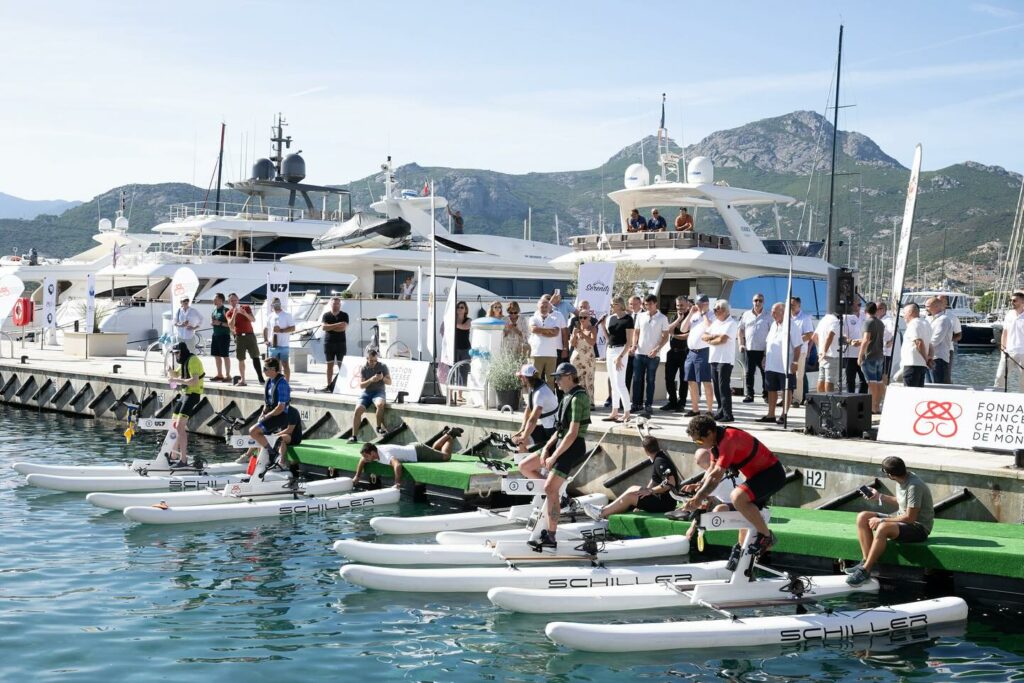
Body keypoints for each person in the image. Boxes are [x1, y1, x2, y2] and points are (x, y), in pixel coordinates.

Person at [683, 415, 786, 552]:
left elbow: (717, 476)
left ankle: (767, 537)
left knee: (737, 497)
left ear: (709, 433)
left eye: (700, 442)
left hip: (772, 474)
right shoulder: (716, 444)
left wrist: (699, 497)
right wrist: (699, 487)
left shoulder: (728, 440)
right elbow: (711, 472)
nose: (699, 444)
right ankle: (744, 552)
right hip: (758, 477)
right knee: (743, 521)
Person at [521, 363, 591, 551]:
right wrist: (546, 449)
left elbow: (572, 434)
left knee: (549, 488)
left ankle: (551, 536)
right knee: (525, 466)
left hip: (572, 447)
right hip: (560, 443)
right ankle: (558, 495)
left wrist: (553, 457)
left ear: (569, 376)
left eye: (559, 377)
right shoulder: (566, 396)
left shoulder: (578, 398)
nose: (556, 381)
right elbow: (560, 431)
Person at [846, 456, 934, 586]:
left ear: (890, 475)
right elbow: (902, 501)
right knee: (862, 517)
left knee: (883, 527)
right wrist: (879, 496)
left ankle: (866, 570)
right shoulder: (903, 478)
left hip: (918, 528)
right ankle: (865, 561)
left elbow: (910, 518)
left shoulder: (914, 486)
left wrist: (882, 521)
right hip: (903, 521)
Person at [584, 436, 680, 519]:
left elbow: (671, 483)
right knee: (633, 488)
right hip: (662, 498)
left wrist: (650, 491)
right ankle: (605, 509)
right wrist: (643, 497)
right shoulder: (659, 457)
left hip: (666, 504)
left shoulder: (660, 462)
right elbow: (654, 480)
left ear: (645, 450)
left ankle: (601, 514)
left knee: (629, 497)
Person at [355, 430, 460, 485]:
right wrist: (357, 476)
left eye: (366, 456)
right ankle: (446, 435)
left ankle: (450, 435)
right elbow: (362, 460)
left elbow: (398, 466)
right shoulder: (373, 453)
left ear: (373, 453)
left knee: (446, 457)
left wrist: (397, 484)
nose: (365, 458)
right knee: (435, 451)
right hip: (415, 449)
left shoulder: (385, 455)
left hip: (419, 452)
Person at [758, 303, 802, 424]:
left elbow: (798, 346)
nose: (772, 314)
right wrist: (765, 357)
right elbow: (769, 343)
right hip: (771, 364)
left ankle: (784, 414)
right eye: (772, 311)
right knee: (771, 389)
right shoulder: (773, 324)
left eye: (774, 312)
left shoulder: (791, 326)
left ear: (783, 312)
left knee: (786, 390)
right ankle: (770, 414)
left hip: (785, 365)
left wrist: (795, 362)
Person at [630, 294, 670, 418]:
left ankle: (648, 405)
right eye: (646, 304)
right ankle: (636, 404)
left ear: (655, 303)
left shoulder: (662, 318)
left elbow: (665, 336)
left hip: (654, 355)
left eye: (650, 304)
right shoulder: (641, 316)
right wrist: (634, 345)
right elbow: (636, 332)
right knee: (637, 380)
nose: (648, 306)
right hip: (639, 353)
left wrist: (657, 349)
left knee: (650, 380)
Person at [167, 341, 205, 467]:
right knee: (173, 424)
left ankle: (183, 460)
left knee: (179, 426)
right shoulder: (184, 361)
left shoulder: (193, 360)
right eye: (174, 354)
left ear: (182, 351)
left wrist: (175, 380)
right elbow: (177, 374)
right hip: (185, 394)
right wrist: (170, 372)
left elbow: (194, 381)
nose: (176, 356)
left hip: (193, 394)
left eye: (177, 353)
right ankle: (173, 455)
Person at [250, 356, 292, 466]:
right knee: (259, 436)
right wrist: (262, 414)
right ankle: (263, 462)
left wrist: (266, 416)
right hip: (271, 415)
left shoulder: (282, 383)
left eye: (265, 369)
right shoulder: (269, 381)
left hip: (280, 416)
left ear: (273, 369)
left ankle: (272, 453)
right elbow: (267, 403)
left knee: (253, 431)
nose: (263, 371)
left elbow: (280, 408)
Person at [703, 299, 738, 423]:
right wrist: (714, 337)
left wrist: (711, 340)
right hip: (714, 358)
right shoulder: (716, 323)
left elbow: (722, 339)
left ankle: (728, 414)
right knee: (717, 387)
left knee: (723, 387)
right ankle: (720, 410)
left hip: (725, 360)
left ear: (723, 310)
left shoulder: (731, 323)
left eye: (715, 309)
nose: (714, 311)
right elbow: (704, 336)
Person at [511, 364, 558, 453]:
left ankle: (525, 464)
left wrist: (523, 437)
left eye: (520, 377)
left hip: (553, 430)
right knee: (518, 441)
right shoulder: (535, 386)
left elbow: (533, 420)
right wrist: (522, 429)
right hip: (546, 427)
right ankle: (524, 463)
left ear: (525, 378)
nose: (520, 379)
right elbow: (528, 409)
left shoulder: (539, 393)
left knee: (520, 441)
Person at [347, 347, 391, 442]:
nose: (372, 363)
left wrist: (382, 378)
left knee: (380, 404)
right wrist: (371, 380)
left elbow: (389, 382)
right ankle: (354, 436)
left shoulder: (383, 366)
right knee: (358, 410)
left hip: (379, 392)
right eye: (370, 361)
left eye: (374, 361)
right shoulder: (363, 368)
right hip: (367, 393)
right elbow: (361, 386)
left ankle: (378, 427)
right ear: (367, 359)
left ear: (377, 359)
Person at [248, 404, 304, 479]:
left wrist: (275, 435)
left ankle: (282, 462)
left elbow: (289, 430)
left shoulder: (293, 412)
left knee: (280, 439)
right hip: (282, 434)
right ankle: (249, 455)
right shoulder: (277, 412)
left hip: (293, 436)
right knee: (260, 437)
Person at [603, 297, 634, 423]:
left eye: (613, 304)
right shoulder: (611, 318)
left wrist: (620, 357)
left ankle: (627, 412)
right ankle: (614, 411)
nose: (611, 306)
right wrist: (602, 327)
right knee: (613, 383)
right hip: (610, 350)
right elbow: (609, 337)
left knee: (620, 383)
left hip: (621, 351)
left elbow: (629, 342)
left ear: (620, 305)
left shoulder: (628, 319)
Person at [683, 294, 714, 416]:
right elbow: (683, 328)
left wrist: (704, 313)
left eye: (701, 303)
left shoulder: (711, 315)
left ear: (706, 303)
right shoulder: (694, 315)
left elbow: (710, 328)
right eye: (697, 303)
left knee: (706, 381)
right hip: (691, 352)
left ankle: (710, 410)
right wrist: (690, 313)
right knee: (691, 381)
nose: (699, 306)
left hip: (704, 351)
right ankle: (695, 409)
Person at [661, 296, 691, 412]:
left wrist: (675, 335)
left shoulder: (691, 317)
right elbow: (668, 330)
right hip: (672, 352)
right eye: (678, 305)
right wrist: (678, 320)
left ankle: (681, 402)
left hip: (685, 352)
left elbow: (688, 335)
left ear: (687, 304)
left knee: (684, 380)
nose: (679, 307)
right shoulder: (675, 316)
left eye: (682, 305)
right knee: (669, 378)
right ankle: (672, 401)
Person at [739, 293, 770, 403]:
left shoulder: (768, 315)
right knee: (749, 373)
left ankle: (766, 395)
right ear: (752, 301)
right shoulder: (746, 314)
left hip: (763, 350)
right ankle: (749, 395)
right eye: (756, 300)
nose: (758, 303)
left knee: (765, 373)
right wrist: (741, 344)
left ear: (763, 302)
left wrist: (768, 352)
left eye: (760, 301)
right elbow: (741, 330)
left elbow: (772, 332)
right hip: (750, 349)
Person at [226, 292, 262, 386]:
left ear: (238, 300)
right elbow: (231, 325)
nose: (234, 302)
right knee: (241, 358)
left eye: (235, 299)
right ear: (229, 302)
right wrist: (234, 313)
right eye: (231, 300)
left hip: (250, 335)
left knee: (255, 356)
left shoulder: (245, 307)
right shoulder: (228, 313)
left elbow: (253, 320)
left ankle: (260, 378)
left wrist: (244, 313)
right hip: (239, 337)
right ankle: (243, 379)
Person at [858, 302, 886, 413]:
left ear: (865, 312)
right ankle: (876, 406)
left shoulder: (867, 322)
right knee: (879, 382)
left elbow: (866, 339)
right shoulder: (880, 323)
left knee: (871, 383)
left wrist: (860, 355)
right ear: (876, 311)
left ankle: (872, 407)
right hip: (879, 355)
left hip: (870, 356)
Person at [528, 297, 561, 389]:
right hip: (537, 354)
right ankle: (534, 401)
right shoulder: (533, 318)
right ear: (538, 307)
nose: (544, 309)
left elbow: (556, 332)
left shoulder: (554, 319)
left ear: (549, 307)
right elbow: (534, 329)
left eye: (546, 307)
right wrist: (549, 331)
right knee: (534, 379)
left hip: (551, 355)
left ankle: (549, 402)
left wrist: (541, 332)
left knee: (550, 381)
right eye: (542, 307)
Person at [995, 291, 1024, 390]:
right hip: (1008, 352)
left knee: (1023, 382)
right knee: (999, 378)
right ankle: (997, 398)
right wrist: (1003, 350)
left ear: (1022, 301)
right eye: (1011, 300)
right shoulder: (1009, 315)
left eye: (1015, 300)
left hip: (1023, 353)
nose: (1012, 302)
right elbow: (1005, 332)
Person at [790, 297, 816, 405]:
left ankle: (797, 399)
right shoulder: (787, 318)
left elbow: (810, 335)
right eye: (790, 304)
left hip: (801, 350)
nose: (791, 307)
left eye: (793, 305)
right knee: (787, 374)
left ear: (799, 306)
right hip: (788, 350)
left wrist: (796, 340)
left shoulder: (805, 318)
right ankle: (787, 397)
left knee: (798, 376)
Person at [901, 302, 932, 388]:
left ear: (910, 312)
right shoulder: (926, 323)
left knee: (910, 394)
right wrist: (929, 359)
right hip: (921, 365)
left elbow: (919, 342)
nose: (903, 316)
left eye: (904, 313)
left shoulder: (913, 324)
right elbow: (930, 345)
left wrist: (926, 359)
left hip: (912, 364)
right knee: (918, 394)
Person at [321, 296, 349, 391]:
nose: (336, 305)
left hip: (341, 343)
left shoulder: (344, 315)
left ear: (340, 304)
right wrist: (337, 325)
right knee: (329, 366)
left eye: (337, 303)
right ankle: (329, 385)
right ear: (330, 304)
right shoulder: (326, 315)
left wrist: (330, 326)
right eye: (334, 303)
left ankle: (342, 385)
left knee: (342, 366)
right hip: (329, 343)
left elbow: (343, 328)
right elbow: (324, 327)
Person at [570, 310, 598, 403]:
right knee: (578, 380)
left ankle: (590, 402)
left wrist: (582, 334)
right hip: (577, 358)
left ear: (589, 318)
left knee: (589, 380)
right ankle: (578, 401)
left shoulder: (592, 328)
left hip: (588, 358)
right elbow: (573, 344)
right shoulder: (576, 329)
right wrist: (574, 335)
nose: (582, 319)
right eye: (580, 317)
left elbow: (592, 342)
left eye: (584, 317)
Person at [926, 296, 954, 385]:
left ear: (937, 307)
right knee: (931, 386)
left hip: (938, 359)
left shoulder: (943, 320)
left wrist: (922, 348)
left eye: (928, 306)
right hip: (930, 358)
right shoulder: (933, 320)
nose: (926, 308)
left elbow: (936, 340)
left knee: (938, 387)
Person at [265, 298, 295, 381]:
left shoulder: (287, 315)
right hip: (272, 345)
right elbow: (266, 329)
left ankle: (287, 383)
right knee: (272, 365)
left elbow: (293, 328)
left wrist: (281, 330)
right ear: (271, 305)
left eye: (277, 303)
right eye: (274, 303)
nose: (276, 305)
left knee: (285, 364)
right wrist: (265, 340)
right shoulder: (270, 316)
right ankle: (273, 382)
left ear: (280, 304)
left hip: (284, 344)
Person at [842, 299, 868, 394]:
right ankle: (851, 400)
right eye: (856, 304)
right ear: (850, 304)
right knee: (850, 380)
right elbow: (842, 336)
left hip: (863, 353)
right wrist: (850, 341)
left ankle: (861, 400)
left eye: (860, 304)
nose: (858, 306)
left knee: (865, 380)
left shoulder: (865, 315)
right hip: (850, 354)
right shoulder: (845, 317)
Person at [813, 309, 841, 392]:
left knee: (821, 378)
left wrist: (821, 349)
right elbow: (830, 335)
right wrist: (825, 350)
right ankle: (829, 402)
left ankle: (820, 400)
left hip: (822, 354)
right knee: (829, 380)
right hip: (831, 354)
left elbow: (814, 337)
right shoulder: (836, 321)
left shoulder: (823, 320)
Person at [209, 293, 231, 382]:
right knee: (216, 356)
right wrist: (213, 323)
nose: (213, 300)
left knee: (225, 356)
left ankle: (228, 375)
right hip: (215, 335)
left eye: (215, 299)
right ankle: (219, 374)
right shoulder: (214, 311)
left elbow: (231, 324)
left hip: (224, 336)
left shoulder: (226, 310)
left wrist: (220, 323)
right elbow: (214, 321)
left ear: (221, 300)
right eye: (213, 299)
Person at [549, 290, 572, 360]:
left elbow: (578, 314)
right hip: (548, 346)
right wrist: (551, 303)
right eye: (555, 295)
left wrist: (570, 328)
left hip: (561, 340)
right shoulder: (547, 308)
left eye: (559, 295)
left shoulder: (565, 305)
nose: (557, 297)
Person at [877, 300, 896, 386]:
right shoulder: (877, 320)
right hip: (877, 352)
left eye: (878, 308)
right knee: (878, 376)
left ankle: (885, 395)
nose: (876, 310)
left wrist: (891, 342)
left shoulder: (888, 320)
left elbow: (894, 332)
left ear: (884, 309)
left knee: (884, 375)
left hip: (885, 352)